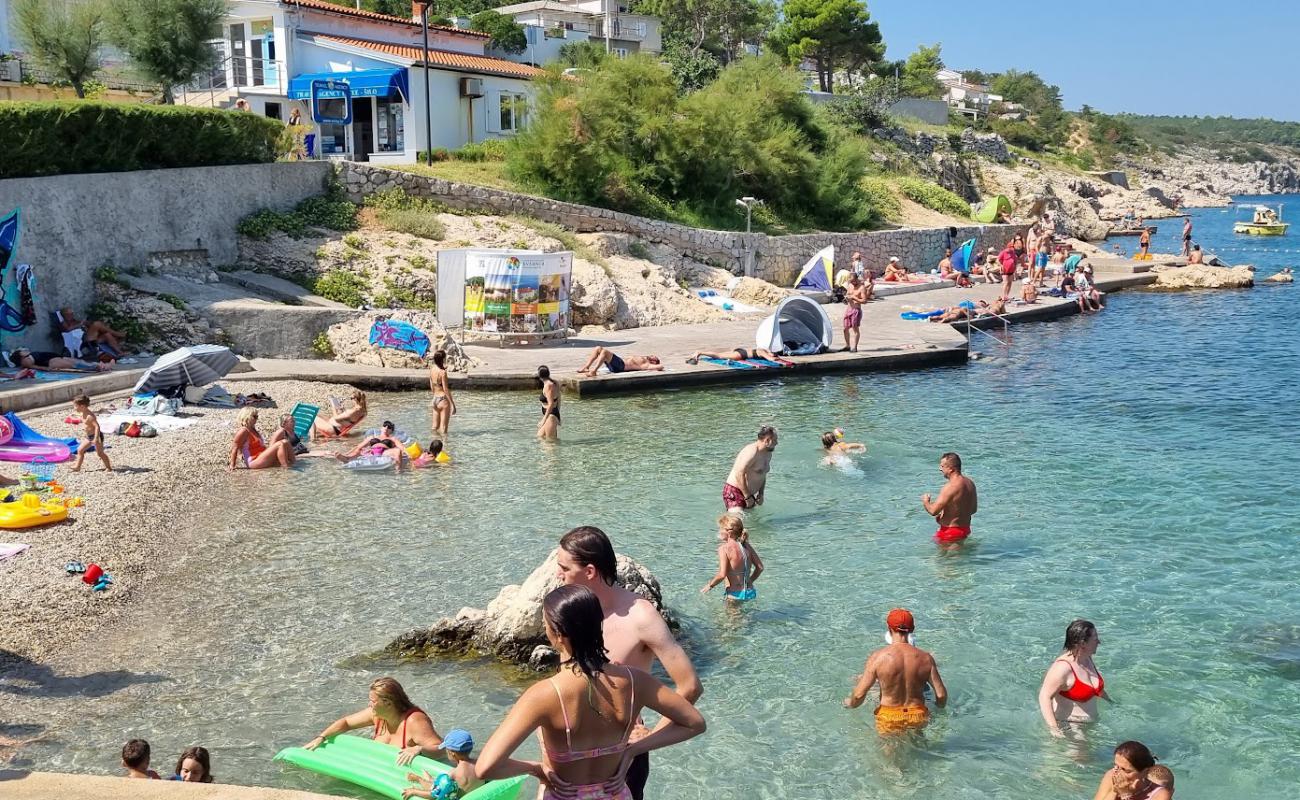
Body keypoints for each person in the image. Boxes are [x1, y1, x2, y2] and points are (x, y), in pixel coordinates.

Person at [474, 585, 706, 800]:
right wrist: (632, 751)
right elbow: (694, 723)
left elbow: (486, 766)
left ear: (558, 635)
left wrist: (536, 769)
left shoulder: (544, 695)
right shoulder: (635, 682)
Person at [556, 527, 702, 800]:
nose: (557, 574)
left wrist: (643, 742)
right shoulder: (571, 610)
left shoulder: (641, 617)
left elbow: (690, 687)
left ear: (589, 571)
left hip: (621, 755)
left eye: (564, 567)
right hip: (573, 750)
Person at [843, 608, 948, 734]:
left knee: (888, 752)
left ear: (889, 629)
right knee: (918, 744)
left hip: (889, 716)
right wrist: (938, 708)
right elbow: (941, 695)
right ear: (912, 629)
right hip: (917, 714)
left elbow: (859, 694)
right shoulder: (926, 658)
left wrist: (851, 703)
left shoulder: (878, 657)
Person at [305, 677, 445, 766]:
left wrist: (419, 749)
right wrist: (321, 737)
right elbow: (346, 722)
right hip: (381, 768)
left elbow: (442, 749)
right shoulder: (377, 714)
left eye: (372, 701)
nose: (369, 705)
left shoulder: (414, 721)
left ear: (388, 703)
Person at [1038, 619, 1111, 737]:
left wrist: (1112, 703)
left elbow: (1095, 689)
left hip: (1090, 726)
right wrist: (1054, 729)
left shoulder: (1087, 658)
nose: (1099, 642)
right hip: (1071, 729)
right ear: (1083, 643)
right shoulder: (1062, 668)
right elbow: (1044, 697)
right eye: (1095, 638)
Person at [401, 729, 482, 800]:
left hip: (453, 796)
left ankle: (419, 779)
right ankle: (430, 779)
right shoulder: (479, 765)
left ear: (451, 753)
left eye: (446, 750)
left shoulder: (453, 774)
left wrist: (413, 791)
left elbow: (434, 795)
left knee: (434, 787)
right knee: (440, 784)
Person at [700, 513, 763, 601]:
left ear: (728, 532)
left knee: (727, 615)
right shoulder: (746, 545)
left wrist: (710, 585)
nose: (719, 531)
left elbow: (722, 574)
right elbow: (760, 567)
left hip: (735, 594)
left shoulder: (724, 549)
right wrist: (750, 580)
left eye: (721, 529)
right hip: (750, 591)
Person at [921, 452, 976, 543]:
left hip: (949, 533)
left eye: (942, 466)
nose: (940, 469)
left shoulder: (950, 487)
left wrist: (926, 501)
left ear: (951, 469)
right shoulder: (970, 483)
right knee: (958, 557)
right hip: (965, 530)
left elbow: (933, 511)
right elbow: (973, 509)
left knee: (944, 557)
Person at [723, 425, 777, 512]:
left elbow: (763, 474)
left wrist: (761, 493)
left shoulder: (768, 454)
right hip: (735, 492)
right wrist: (747, 496)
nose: (777, 443)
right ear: (767, 440)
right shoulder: (751, 452)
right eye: (775, 440)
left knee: (751, 524)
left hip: (749, 494)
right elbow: (739, 473)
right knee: (737, 522)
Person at [1092, 741, 1171, 800]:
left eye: (1125, 770)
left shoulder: (1160, 795)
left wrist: (1125, 795)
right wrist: (1115, 791)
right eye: (1116, 766)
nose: (1117, 772)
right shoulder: (1111, 776)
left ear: (1144, 772)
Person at [230, 407, 295, 470]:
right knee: (281, 444)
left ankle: (294, 464)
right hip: (254, 460)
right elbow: (235, 447)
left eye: (257, 417)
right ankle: (286, 469)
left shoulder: (253, 429)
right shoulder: (243, 431)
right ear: (247, 417)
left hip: (261, 456)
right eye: (255, 417)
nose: (256, 419)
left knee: (286, 442)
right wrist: (232, 465)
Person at [59, 307, 127, 356]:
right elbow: (67, 330)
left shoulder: (75, 320)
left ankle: (119, 352)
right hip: (83, 341)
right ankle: (117, 334)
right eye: (68, 314)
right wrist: (80, 324)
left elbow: (87, 324)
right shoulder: (64, 323)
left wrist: (86, 323)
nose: (71, 315)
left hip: (92, 340)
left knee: (107, 334)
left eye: (72, 313)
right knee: (97, 324)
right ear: (64, 315)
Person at [71, 394, 112, 473]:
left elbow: (97, 427)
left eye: (75, 406)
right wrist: (75, 417)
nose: (74, 408)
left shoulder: (90, 416)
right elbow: (82, 418)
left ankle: (109, 467)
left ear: (82, 406)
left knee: (100, 453)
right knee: (80, 450)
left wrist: (96, 438)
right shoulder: (83, 413)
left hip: (96, 436)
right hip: (89, 436)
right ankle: (77, 467)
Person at [337, 420, 404, 462]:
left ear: (391, 431)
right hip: (372, 452)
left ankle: (398, 471)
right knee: (359, 450)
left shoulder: (393, 439)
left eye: (389, 427)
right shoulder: (372, 437)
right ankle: (346, 458)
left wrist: (410, 456)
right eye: (385, 426)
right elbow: (358, 447)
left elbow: (402, 449)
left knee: (397, 451)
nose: (386, 428)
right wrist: (347, 453)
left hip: (385, 452)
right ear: (381, 428)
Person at [5, 347, 111, 372]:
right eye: (21, 350)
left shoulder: (27, 356)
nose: (24, 350)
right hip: (52, 362)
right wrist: (48, 369)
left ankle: (101, 365)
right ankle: (100, 367)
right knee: (77, 365)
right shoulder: (26, 361)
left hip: (54, 358)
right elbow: (35, 366)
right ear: (20, 354)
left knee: (78, 362)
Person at [577, 347, 663, 377]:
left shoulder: (646, 364)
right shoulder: (644, 359)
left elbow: (661, 367)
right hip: (618, 363)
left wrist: (656, 366)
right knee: (598, 348)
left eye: (654, 356)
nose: (652, 355)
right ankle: (586, 367)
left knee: (604, 352)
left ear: (654, 362)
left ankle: (594, 372)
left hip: (621, 366)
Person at [428, 350, 456, 436]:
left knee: (434, 427)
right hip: (443, 400)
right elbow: (445, 389)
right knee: (443, 428)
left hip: (435, 399)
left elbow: (431, 385)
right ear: (443, 359)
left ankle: (433, 445)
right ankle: (445, 446)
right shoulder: (442, 372)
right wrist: (453, 405)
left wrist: (435, 396)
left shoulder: (432, 369)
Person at [841, 272, 868, 352]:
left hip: (856, 310)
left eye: (854, 281)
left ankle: (855, 347)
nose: (853, 283)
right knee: (845, 328)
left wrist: (854, 297)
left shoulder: (862, 288)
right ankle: (847, 345)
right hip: (848, 309)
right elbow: (848, 295)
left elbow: (864, 301)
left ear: (857, 279)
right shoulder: (850, 286)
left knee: (855, 329)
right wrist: (846, 299)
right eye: (851, 281)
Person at [537, 365, 560, 440]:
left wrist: (543, 419)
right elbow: (559, 399)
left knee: (550, 443)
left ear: (539, 375)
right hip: (551, 415)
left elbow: (551, 404)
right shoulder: (554, 383)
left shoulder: (548, 386)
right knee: (540, 437)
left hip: (551, 416)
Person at [685, 346, 779, 365]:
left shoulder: (763, 349)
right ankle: (700, 352)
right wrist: (775, 358)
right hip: (741, 355)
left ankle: (700, 352)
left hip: (740, 350)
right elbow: (771, 359)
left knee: (719, 354)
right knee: (719, 356)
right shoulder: (763, 352)